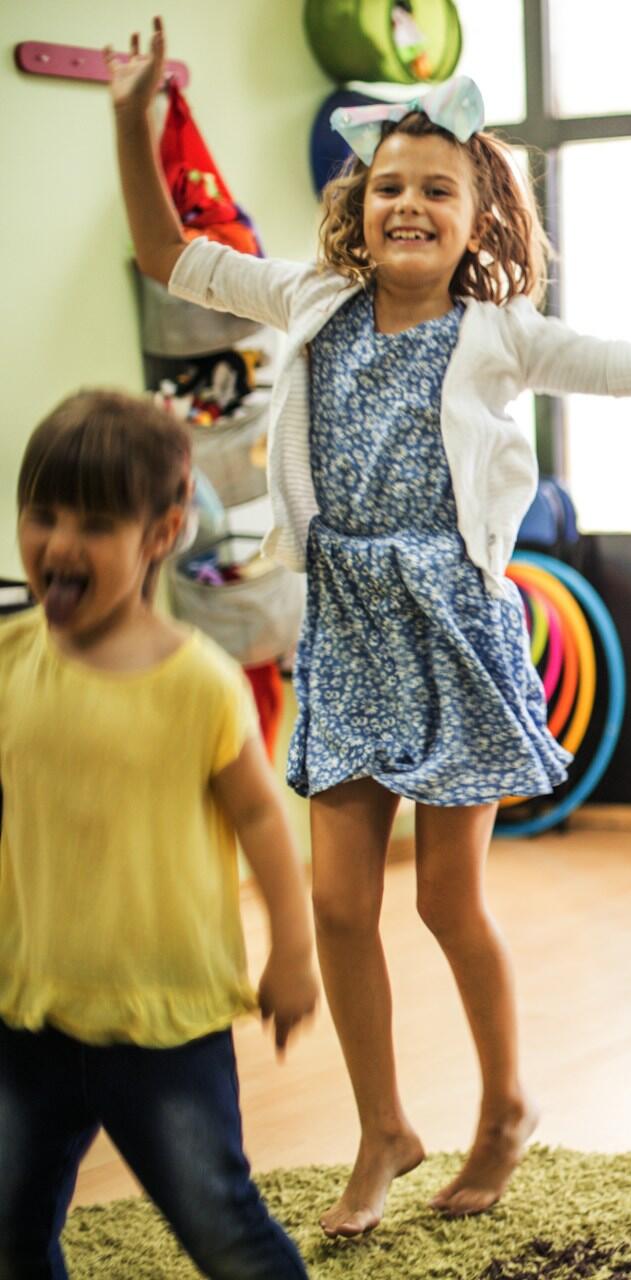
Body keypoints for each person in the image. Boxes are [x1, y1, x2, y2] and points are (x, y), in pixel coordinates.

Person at [104, 18, 631, 1235]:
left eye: (439, 188)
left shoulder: (502, 334)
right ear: (355, 208)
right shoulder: (312, 300)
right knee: (332, 904)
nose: (409, 205)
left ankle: (504, 1106)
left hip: (455, 628)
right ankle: (382, 1124)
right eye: (388, 187)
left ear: (484, 218)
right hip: (348, 627)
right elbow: (166, 251)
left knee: (447, 902)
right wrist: (130, 117)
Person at [0, 391, 318, 1280]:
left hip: (164, 1024)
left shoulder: (199, 685)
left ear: (160, 533)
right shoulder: (10, 665)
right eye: (42, 515)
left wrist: (291, 951)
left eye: (95, 523)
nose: (60, 543)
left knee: (223, 1228)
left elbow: (260, 815)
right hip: (30, 1011)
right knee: (9, 1232)